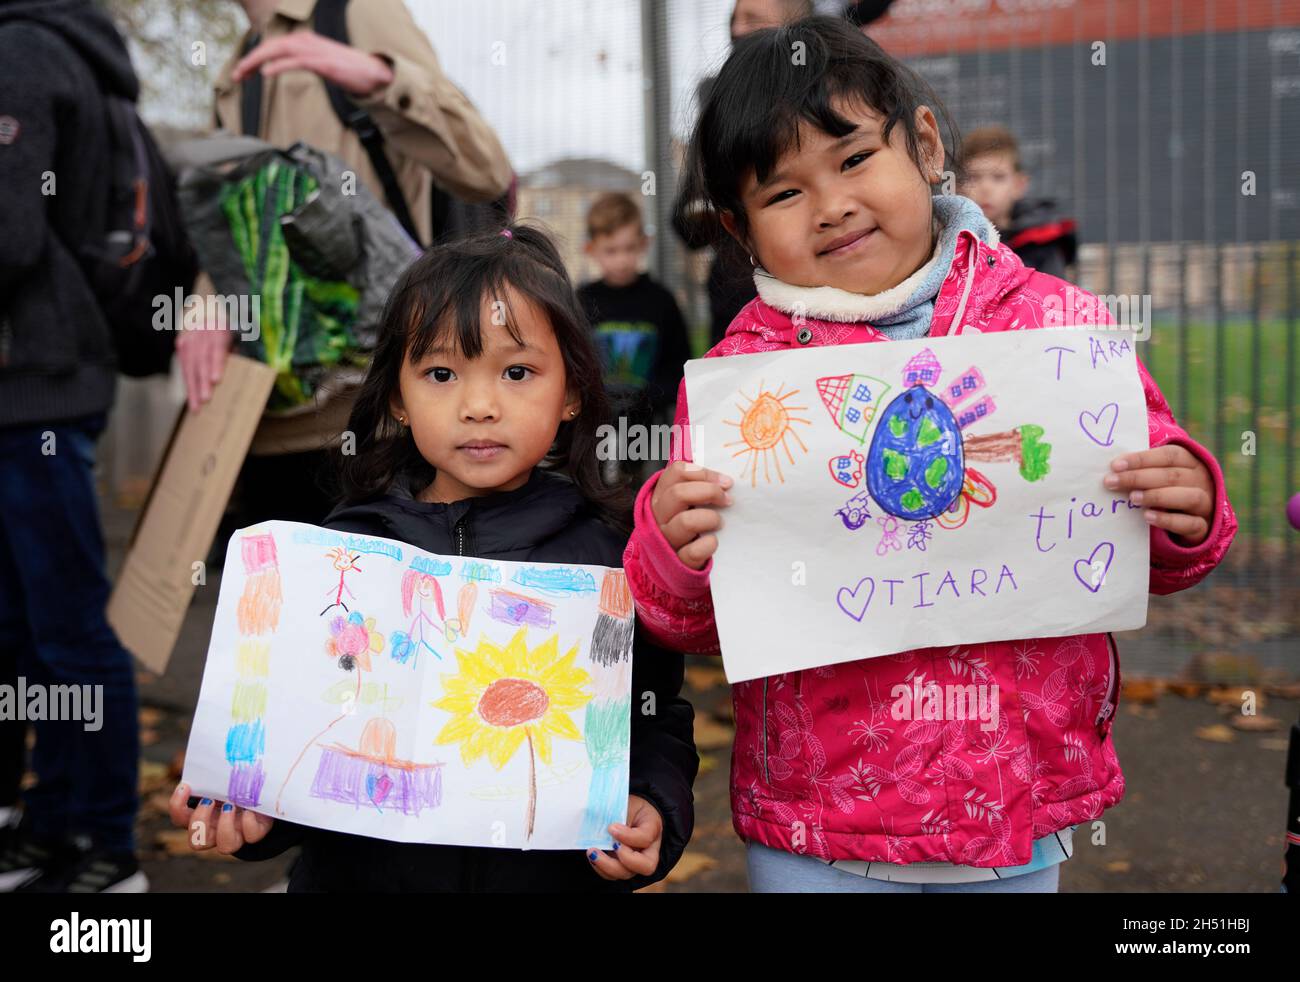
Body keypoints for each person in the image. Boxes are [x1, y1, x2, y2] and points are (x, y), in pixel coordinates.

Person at [623, 17, 1238, 893]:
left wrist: (1189, 508)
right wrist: (671, 558)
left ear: (921, 145)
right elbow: (698, 621)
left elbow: (1140, 532)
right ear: (739, 226)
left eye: (852, 160)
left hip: (1017, 809)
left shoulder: (1053, 329)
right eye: (784, 194)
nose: (832, 204)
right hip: (817, 827)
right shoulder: (741, 389)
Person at [169, 226, 698, 892]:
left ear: (570, 391)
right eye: (441, 374)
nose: (478, 406)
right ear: (397, 394)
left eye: (516, 372)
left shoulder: (609, 561)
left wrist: (652, 803)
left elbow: (652, 717)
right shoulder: (344, 559)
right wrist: (254, 815)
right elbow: (305, 740)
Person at [182, 0, 514, 533]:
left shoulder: (358, 13)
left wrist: (380, 78)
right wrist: (209, 298)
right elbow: (236, 222)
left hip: (378, 413)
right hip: (273, 420)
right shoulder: (237, 66)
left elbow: (484, 168)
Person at [0, 0, 146, 893]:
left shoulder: (19, 49)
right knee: (29, 628)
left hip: (34, 385)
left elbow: (11, 232)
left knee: (65, 626)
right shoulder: (67, 47)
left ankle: (105, 842)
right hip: (49, 378)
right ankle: (56, 824)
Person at [672, 0, 815, 350]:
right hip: (738, 289)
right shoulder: (717, 105)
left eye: (751, 19)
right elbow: (684, 222)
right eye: (733, 19)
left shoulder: (823, 93)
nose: (737, 29)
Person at [577, 192, 692, 488]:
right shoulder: (582, 301)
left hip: (647, 418)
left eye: (629, 248)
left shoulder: (660, 300)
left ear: (644, 244)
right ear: (591, 249)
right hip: (597, 417)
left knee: (637, 484)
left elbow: (680, 363)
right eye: (611, 250)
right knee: (594, 482)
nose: (621, 259)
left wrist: (653, 395)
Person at [959, 125, 1077, 281]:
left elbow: (1054, 299)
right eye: (974, 177)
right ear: (957, 186)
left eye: (998, 177)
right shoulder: (949, 245)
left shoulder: (1041, 243)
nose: (985, 188)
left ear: (1019, 185)